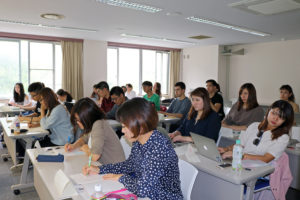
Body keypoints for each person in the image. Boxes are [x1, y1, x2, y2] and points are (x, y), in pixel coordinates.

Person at [82, 98, 183, 199]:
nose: (122, 130)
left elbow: (142, 189)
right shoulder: (139, 140)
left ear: (141, 125)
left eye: (125, 126)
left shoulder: (159, 147)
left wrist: (121, 177)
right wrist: (100, 169)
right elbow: (130, 165)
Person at [219, 100, 294, 163]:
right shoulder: (254, 126)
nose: (275, 118)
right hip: (241, 162)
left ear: (285, 121)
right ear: (268, 111)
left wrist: (240, 156)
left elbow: (266, 159)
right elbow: (240, 145)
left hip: (259, 171)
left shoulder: (283, 137)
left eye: (281, 117)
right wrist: (226, 149)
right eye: (273, 113)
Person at [64, 98, 125, 164]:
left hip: (115, 169)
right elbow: (84, 139)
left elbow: (95, 156)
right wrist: (73, 146)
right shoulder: (93, 123)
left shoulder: (98, 125)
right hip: (104, 166)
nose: (77, 123)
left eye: (79, 120)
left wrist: (86, 149)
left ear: (87, 118)